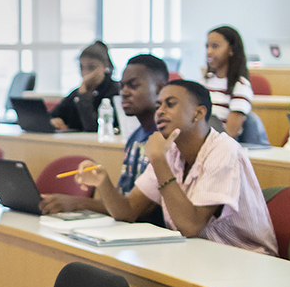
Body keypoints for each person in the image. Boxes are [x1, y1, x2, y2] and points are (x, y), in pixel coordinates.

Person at [74, 79, 278, 254]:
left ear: (198, 113)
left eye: (170, 104)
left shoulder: (224, 150)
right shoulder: (170, 151)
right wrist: (103, 182)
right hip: (201, 256)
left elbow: (191, 225)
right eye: (158, 106)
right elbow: (128, 211)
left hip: (246, 259)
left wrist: (158, 160)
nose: (160, 112)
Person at [44, 54, 167, 225]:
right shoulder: (136, 136)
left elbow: (137, 211)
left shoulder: (165, 140)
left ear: (160, 88)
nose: (124, 92)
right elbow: (123, 199)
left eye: (133, 86)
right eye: (122, 86)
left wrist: (76, 203)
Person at [202, 25, 270, 147]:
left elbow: (230, 133)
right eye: (207, 46)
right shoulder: (202, 83)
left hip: (219, 148)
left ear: (231, 50)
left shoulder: (240, 86)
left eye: (215, 46)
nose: (209, 51)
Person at [53, 41, 114, 131]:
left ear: (105, 66)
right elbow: (52, 115)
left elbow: (92, 128)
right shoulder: (76, 93)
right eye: (81, 67)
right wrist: (53, 121)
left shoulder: (114, 92)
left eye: (91, 68)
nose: (85, 73)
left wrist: (84, 95)